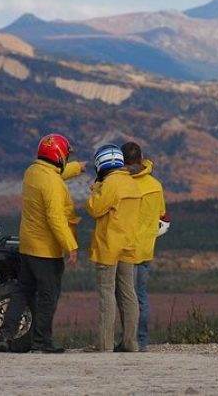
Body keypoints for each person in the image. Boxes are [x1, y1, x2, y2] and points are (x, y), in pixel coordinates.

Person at [0, 133, 83, 353]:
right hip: (46, 251)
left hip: (27, 246)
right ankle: (42, 342)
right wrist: (70, 245)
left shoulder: (32, 172)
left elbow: (54, 174)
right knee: (48, 296)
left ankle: (6, 334)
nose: (66, 157)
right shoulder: (52, 183)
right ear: (58, 155)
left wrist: (77, 168)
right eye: (65, 154)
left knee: (22, 291)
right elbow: (55, 218)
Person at [86, 144, 141, 352]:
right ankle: (130, 342)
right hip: (129, 245)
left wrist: (95, 188)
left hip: (109, 246)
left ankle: (105, 344)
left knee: (106, 294)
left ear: (100, 164)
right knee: (128, 293)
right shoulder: (131, 183)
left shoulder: (110, 184)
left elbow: (94, 208)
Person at [121, 142, 169, 352]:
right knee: (140, 295)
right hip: (146, 247)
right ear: (141, 159)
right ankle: (141, 341)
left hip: (124, 248)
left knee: (125, 297)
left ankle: (128, 341)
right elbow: (161, 214)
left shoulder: (120, 184)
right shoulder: (155, 185)